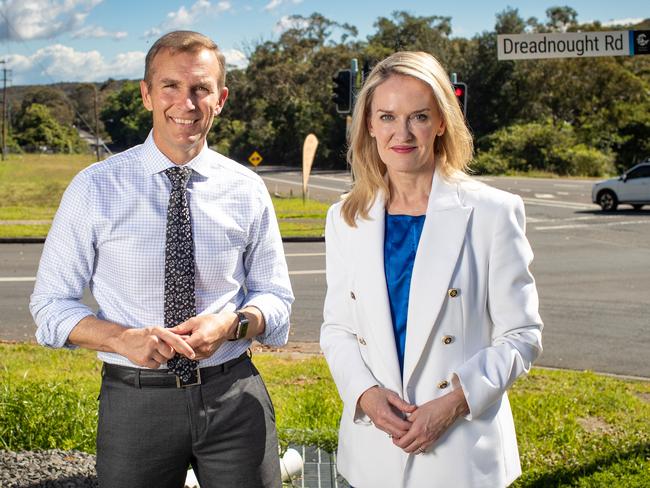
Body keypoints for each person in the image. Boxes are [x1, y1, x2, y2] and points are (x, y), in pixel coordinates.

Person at [30, 30, 293, 488]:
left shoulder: (246, 189)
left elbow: (275, 298)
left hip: (233, 399)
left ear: (221, 98)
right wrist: (120, 338)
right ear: (146, 94)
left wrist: (231, 325)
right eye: (170, 86)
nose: (185, 103)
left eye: (200, 89)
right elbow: (50, 306)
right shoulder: (94, 188)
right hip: (135, 405)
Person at [320, 51, 543, 488]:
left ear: (442, 121)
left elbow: (522, 335)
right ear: (367, 124)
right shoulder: (345, 217)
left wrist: (455, 403)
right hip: (374, 450)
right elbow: (337, 329)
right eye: (386, 117)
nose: (401, 133)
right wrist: (364, 394)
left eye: (418, 116)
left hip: (462, 451)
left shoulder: (493, 212)